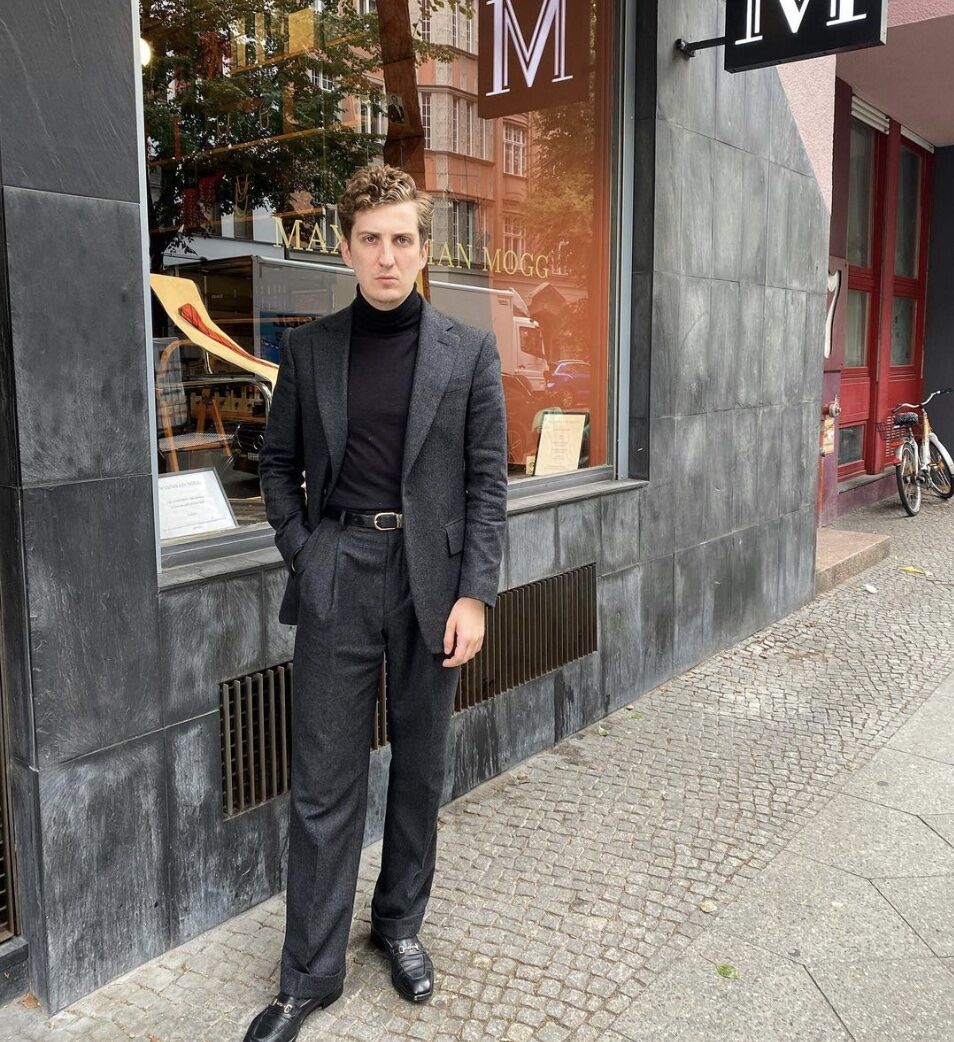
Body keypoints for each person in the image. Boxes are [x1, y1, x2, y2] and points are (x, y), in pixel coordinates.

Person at [244, 164, 508, 1042]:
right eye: (371, 239)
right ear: (347, 248)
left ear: (424, 251)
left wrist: (475, 593)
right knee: (324, 781)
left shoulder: (467, 351)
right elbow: (276, 467)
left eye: (402, 239)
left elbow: (486, 485)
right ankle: (309, 975)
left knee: (421, 768)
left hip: (433, 583)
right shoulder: (311, 350)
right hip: (339, 569)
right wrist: (305, 550)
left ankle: (398, 926)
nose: (387, 255)